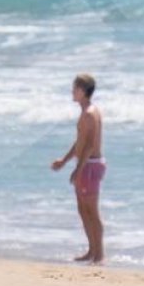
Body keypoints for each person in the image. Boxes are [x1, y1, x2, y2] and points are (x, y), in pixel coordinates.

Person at [51, 73, 106, 265]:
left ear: (83, 91)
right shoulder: (86, 112)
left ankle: (100, 254)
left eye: (75, 88)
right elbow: (80, 142)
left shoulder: (90, 113)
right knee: (83, 209)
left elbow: (90, 145)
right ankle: (91, 251)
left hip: (90, 165)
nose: (72, 92)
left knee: (91, 210)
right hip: (86, 163)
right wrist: (64, 161)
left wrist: (78, 169)